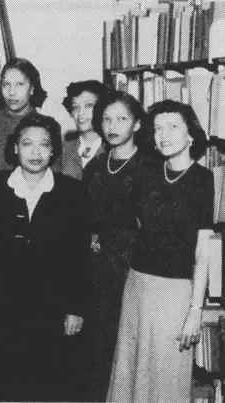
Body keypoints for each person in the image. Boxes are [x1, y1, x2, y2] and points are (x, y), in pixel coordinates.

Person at [0, 113, 91, 402]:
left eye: (44, 145)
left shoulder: (71, 192)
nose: (35, 152)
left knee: (49, 386)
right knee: (3, 386)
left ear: (53, 151)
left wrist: (76, 307)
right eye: (27, 144)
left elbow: (79, 256)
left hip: (51, 308)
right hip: (5, 307)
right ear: (15, 148)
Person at [107, 100, 213, 402]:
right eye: (157, 128)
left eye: (173, 127)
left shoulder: (202, 180)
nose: (163, 135)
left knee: (167, 374)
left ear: (191, 134)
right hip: (137, 284)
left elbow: (203, 251)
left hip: (176, 290)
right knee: (130, 370)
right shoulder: (147, 172)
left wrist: (195, 310)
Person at [82, 90, 145, 401]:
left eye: (121, 118)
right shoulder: (94, 167)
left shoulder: (148, 166)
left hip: (135, 268)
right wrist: (92, 236)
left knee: (131, 349)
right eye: (106, 118)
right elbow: (87, 217)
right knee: (98, 349)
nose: (112, 125)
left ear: (136, 124)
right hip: (99, 272)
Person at [0, 57, 47, 179]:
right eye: (6, 84)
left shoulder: (47, 126)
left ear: (32, 88)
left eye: (20, 84)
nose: (11, 92)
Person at [55, 80, 111, 180]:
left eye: (88, 106)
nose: (80, 113)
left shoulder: (113, 151)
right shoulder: (61, 151)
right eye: (75, 107)